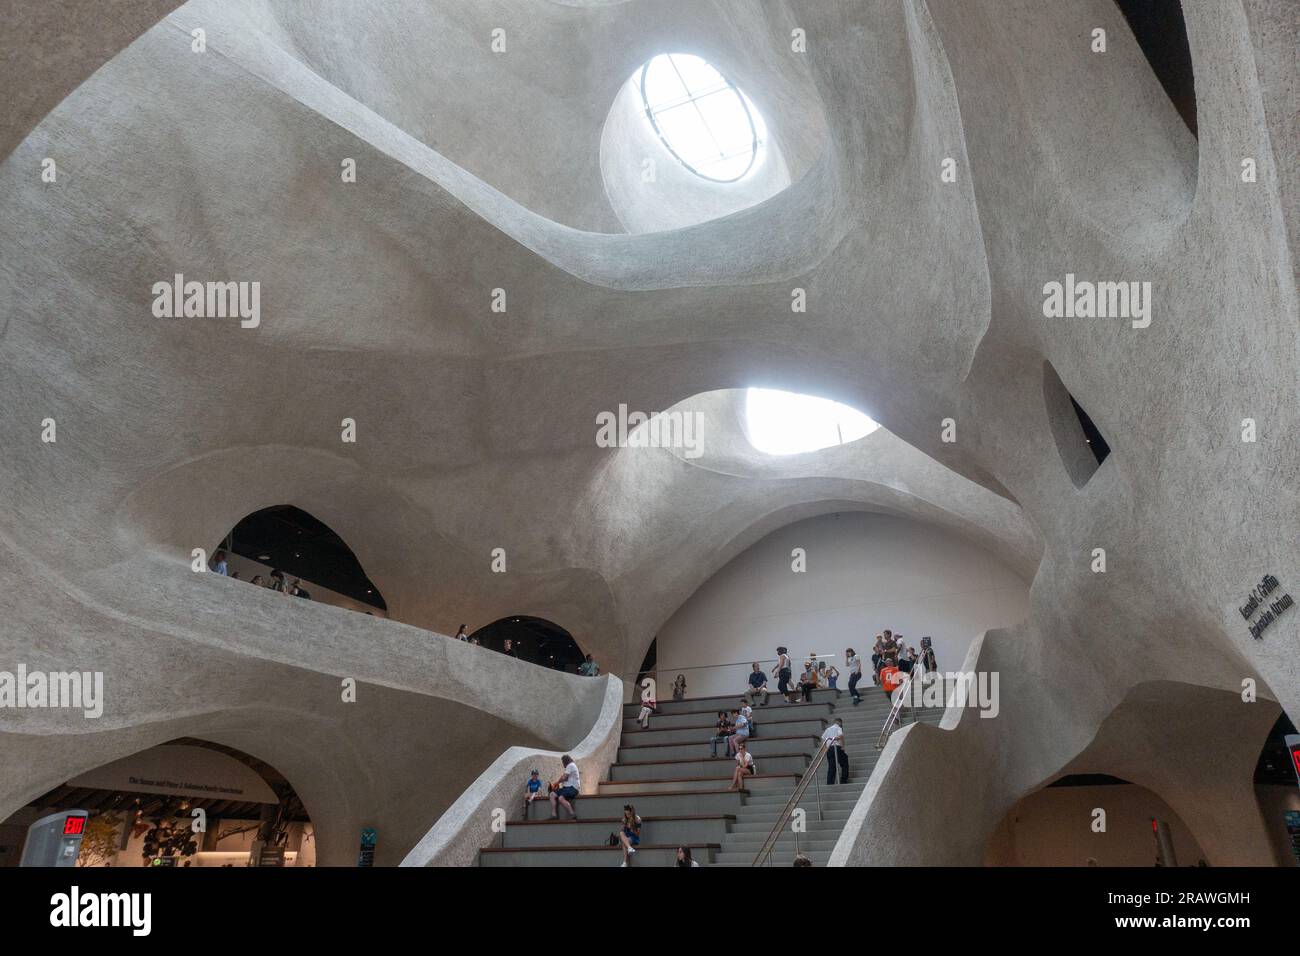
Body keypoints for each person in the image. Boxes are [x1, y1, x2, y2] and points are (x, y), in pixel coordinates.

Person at [549, 755, 580, 820]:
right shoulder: (569, 767)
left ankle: (572, 814)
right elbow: (564, 777)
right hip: (566, 788)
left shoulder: (570, 765)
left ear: (565, 761)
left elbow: (564, 777)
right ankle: (553, 814)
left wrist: (557, 783)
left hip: (573, 788)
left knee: (560, 798)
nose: (562, 763)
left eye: (563, 762)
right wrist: (557, 784)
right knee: (552, 794)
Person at [822, 718, 849, 784]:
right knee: (844, 762)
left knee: (831, 766)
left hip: (829, 749)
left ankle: (830, 782)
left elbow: (823, 739)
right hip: (837, 747)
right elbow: (841, 736)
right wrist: (842, 746)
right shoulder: (838, 728)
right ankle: (843, 780)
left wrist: (825, 749)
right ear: (840, 723)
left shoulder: (828, 729)